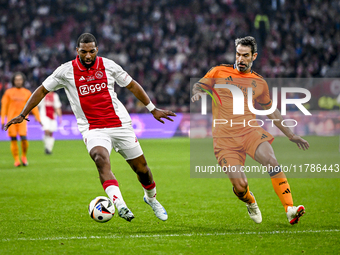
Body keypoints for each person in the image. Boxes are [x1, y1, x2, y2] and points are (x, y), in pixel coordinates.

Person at [5, 33, 176, 222]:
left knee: (142, 170)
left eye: (92, 51)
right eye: (84, 51)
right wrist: (23, 113)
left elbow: (132, 85)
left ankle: (151, 199)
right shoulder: (65, 71)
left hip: (120, 124)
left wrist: (152, 109)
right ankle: (120, 204)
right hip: (93, 128)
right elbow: (42, 90)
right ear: (77, 50)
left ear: (97, 50)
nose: (88, 56)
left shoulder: (109, 65)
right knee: (100, 158)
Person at [191, 36, 309, 225]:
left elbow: (272, 111)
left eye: (245, 55)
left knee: (272, 160)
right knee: (241, 186)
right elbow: (199, 84)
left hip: (250, 133)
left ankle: (290, 209)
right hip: (224, 139)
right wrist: (197, 92)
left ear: (254, 56)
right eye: (238, 54)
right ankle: (250, 200)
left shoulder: (259, 83)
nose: (240, 59)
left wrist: (291, 134)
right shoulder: (219, 71)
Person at [1, 72, 41, 167]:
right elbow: (4, 107)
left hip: (22, 120)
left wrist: (38, 118)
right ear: (13, 81)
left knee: (24, 138)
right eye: (16, 80)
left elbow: (33, 106)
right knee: (13, 139)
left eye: (20, 79)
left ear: (23, 81)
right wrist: (3, 120)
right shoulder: (8, 92)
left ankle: (24, 156)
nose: (18, 81)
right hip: (11, 120)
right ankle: (16, 160)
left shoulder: (27, 92)